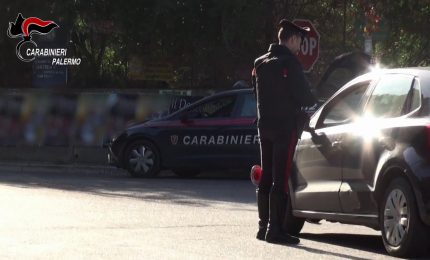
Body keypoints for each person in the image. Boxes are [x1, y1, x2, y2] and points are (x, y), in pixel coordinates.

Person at [252, 19, 317, 244]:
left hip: (264, 126)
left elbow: (256, 95)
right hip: (284, 128)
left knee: (266, 176)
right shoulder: (290, 63)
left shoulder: (260, 63)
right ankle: (275, 229)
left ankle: (263, 227)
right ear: (290, 39)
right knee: (281, 178)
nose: (300, 45)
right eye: (299, 39)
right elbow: (305, 97)